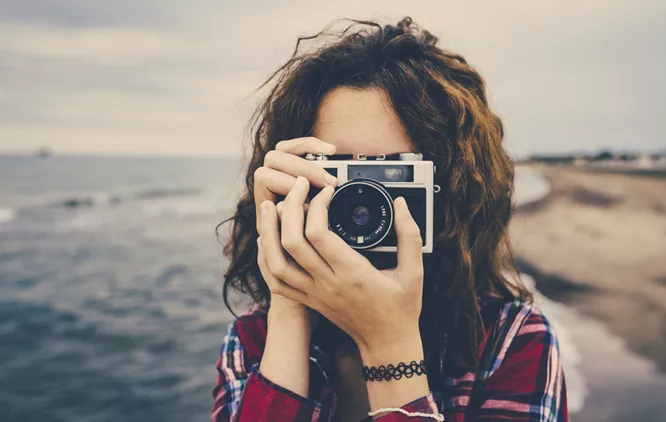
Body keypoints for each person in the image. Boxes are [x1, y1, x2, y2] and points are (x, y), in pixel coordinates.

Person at [212, 17, 568, 422]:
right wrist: (290, 302)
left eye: (390, 174)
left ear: (449, 189)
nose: (359, 201)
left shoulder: (512, 343)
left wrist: (390, 346)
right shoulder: (255, 342)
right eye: (336, 171)